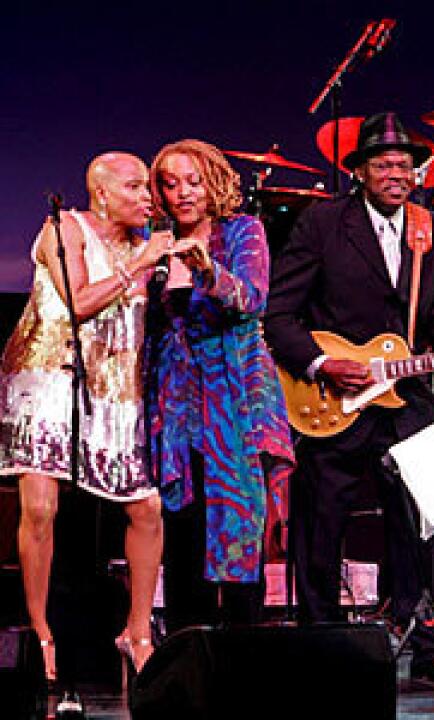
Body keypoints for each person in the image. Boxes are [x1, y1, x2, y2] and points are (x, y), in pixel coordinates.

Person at [264, 112, 434, 684]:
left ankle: (425, 638)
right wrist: (323, 363)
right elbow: (279, 316)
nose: (395, 173)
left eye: (404, 164)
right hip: (333, 398)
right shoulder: (322, 223)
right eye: (382, 164)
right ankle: (321, 641)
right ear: (359, 171)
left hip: (404, 397)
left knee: (421, 519)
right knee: (321, 521)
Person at [0, 152, 171, 707]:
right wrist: (140, 264)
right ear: (101, 192)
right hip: (47, 375)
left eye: (149, 186)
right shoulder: (63, 228)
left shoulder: (149, 244)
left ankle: (137, 632)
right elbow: (77, 303)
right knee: (42, 509)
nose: (148, 195)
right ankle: (42, 634)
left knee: (145, 507)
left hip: (113, 387)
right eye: (135, 186)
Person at [147, 139, 294, 632]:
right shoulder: (155, 240)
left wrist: (210, 272)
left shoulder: (242, 232)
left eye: (194, 181)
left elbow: (251, 298)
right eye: (171, 183)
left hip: (234, 399)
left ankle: (242, 652)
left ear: (215, 182)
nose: (183, 193)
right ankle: (188, 656)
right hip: (178, 401)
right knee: (183, 526)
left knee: (237, 520)